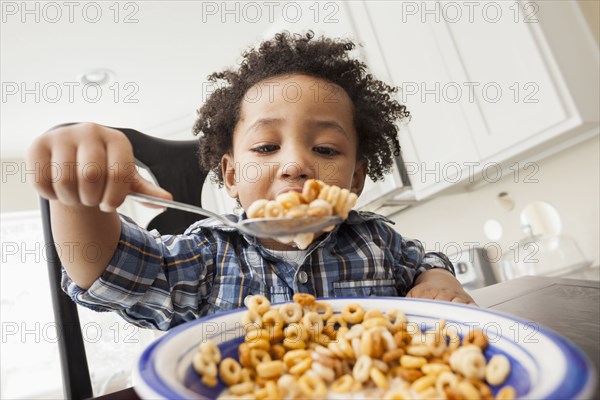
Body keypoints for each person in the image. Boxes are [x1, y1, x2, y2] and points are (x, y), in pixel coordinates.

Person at [27, 32, 475, 330]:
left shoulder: (376, 241)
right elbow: (106, 270)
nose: (295, 165)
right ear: (231, 176)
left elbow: (423, 262)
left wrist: (437, 278)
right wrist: (78, 200)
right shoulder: (208, 255)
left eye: (325, 150)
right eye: (265, 148)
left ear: (356, 178)